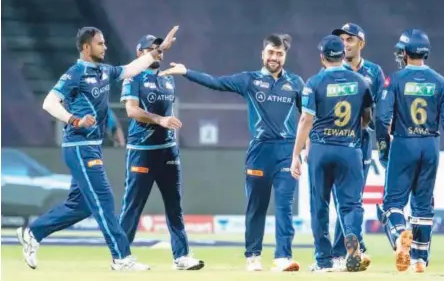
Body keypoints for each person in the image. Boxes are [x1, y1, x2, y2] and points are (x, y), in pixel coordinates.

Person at [17, 25, 178, 271]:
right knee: (103, 199)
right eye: (100, 43)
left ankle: (32, 233)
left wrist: (158, 52)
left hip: (92, 147)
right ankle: (121, 258)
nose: (105, 47)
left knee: (80, 206)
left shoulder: (104, 70)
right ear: (86, 47)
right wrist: (74, 120)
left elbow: (130, 69)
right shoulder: (75, 73)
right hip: (79, 146)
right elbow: (49, 103)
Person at [160, 34, 304, 272]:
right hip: (259, 150)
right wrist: (187, 72)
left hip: (287, 151)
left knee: (284, 207)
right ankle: (253, 256)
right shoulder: (250, 80)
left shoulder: (296, 83)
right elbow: (216, 82)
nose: (274, 58)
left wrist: (303, 149)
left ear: (284, 56)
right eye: (271, 52)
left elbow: (307, 117)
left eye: (279, 54)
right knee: (257, 206)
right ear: (263, 53)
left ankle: (283, 258)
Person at [375, 29, 444, 273]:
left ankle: (399, 238)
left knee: (393, 202)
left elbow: (382, 118)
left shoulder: (394, 80)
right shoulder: (441, 82)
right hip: (430, 146)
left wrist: (384, 146)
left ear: (405, 53)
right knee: (423, 206)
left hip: (404, 143)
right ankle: (419, 259)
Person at [118, 34, 204, 270]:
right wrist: (160, 119)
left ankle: (182, 256)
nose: (158, 51)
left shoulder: (168, 80)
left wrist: (168, 123)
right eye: (152, 48)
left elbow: (168, 115)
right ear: (140, 53)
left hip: (168, 152)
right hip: (142, 151)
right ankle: (121, 257)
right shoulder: (133, 77)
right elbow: (132, 111)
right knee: (133, 206)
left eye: (160, 48)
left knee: (174, 206)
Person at [290, 35, 373, 272]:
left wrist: (295, 154)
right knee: (351, 204)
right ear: (342, 55)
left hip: (321, 149)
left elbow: (306, 119)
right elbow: (367, 117)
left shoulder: (313, 83)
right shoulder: (361, 81)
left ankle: (323, 260)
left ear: (322, 57)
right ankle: (352, 238)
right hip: (350, 149)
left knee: (320, 205)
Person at [329, 22, 385, 271]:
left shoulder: (373, 71)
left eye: (349, 39)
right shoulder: (332, 69)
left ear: (361, 43)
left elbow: (381, 111)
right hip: (333, 141)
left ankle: (346, 250)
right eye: (341, 39)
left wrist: (384, 142)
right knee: (340, 200)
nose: (344, 43)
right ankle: (348, 249)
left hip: (361, 143)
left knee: (352, 199)